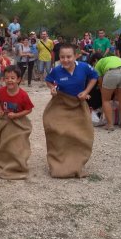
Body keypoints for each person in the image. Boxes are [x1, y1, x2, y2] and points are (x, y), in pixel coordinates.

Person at [43, 43, 98, 178]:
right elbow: (48, 80)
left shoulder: (84, 67)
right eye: (62, 57)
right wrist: (52, 88)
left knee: (82, 134)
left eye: (69, 56)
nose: (65, 60)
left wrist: (86, 91)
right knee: (58, 132)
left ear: (76, 56)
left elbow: (94, 77)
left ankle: (77, 162)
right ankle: (59, 162)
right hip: (61, 104)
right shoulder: (56, 70)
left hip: (79, 104)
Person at [0, 65, 34, 180]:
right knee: (4, 142)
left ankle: (18, 163)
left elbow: (29, 109)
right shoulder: (1, 91)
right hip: (5, 123)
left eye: (12, 78)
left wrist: (16, 115)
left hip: (19, 124)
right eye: (6, 78)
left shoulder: (23, 95)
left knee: (18, 144)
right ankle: (4, 160)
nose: (9, 80)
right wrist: (0, 110)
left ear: (19, 79)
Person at [93, 54, 121, 130]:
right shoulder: (115, 58)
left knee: (106, 100)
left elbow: (100, 82)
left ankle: (110, 125)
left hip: (111, 73)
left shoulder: (98, 64)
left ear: (95, 61)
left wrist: (103, 93)